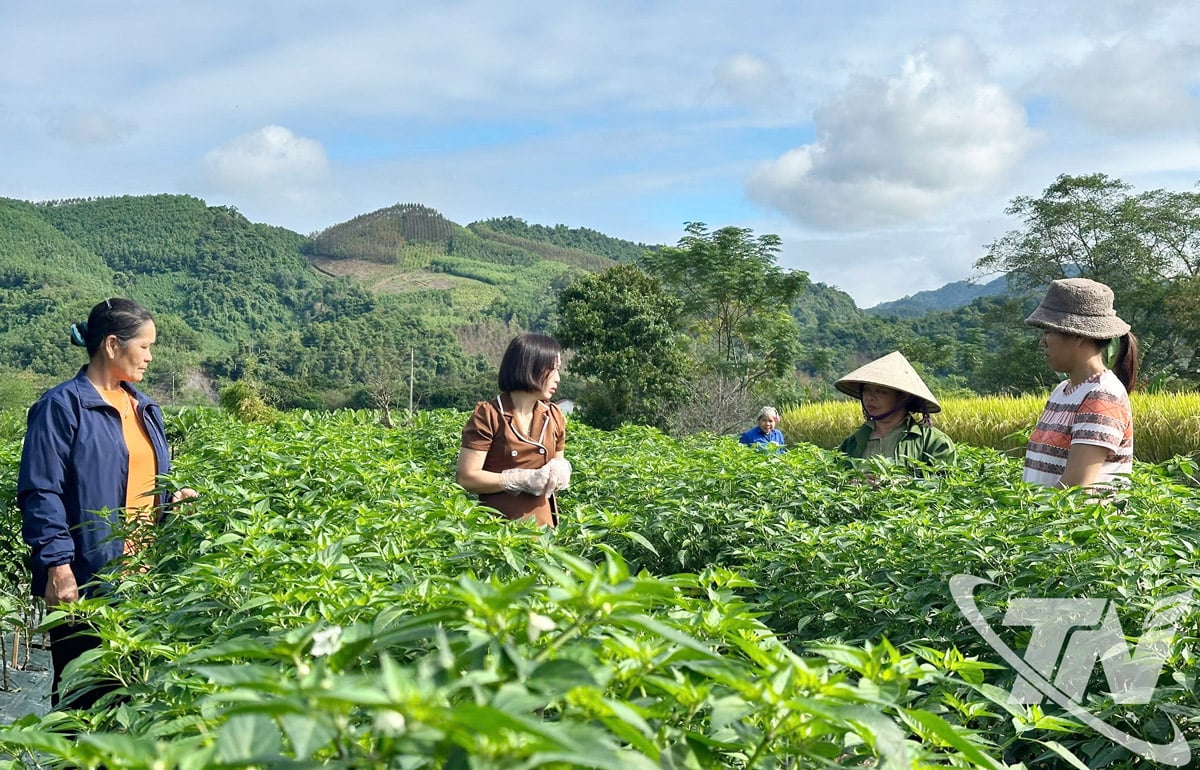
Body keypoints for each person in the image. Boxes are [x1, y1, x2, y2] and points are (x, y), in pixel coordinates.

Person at [18, 298, 197, 709]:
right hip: (88, 582)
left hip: (143, 582)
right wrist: (58, 567)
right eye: (145, 346)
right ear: (113, 345)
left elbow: (135, 480)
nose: (150, 357)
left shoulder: (144, 408)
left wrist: (171, 502)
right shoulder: (61, 407)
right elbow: (40, 492)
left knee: (132, 701)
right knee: (83, 704)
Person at [1022, 278, 1138, 490]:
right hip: (1044, 520)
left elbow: (1074, 487)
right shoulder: (1062, 391)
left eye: (1048, 331)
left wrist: (1026, 519)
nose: (1042, 341)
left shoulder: (1102, 395)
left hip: (1073, 522)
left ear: (1077, 335)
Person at [456, 334, 571, 527]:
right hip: (499, 532)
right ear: (529, 366)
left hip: (545, 530)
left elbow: (557, 462)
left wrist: (561, 470)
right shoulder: (489, 415)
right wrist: (517, 479)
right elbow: (466, 477)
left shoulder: (553, 415)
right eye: (552, 369)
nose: (557, 378)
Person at [835, 351, 956, 468]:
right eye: (866, 390)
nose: (870, 398)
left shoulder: (934, 442)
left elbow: (944, 482)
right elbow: (834, 480)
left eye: (881, 391)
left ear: (903, 397)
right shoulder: (852, 443)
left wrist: (898, 482)